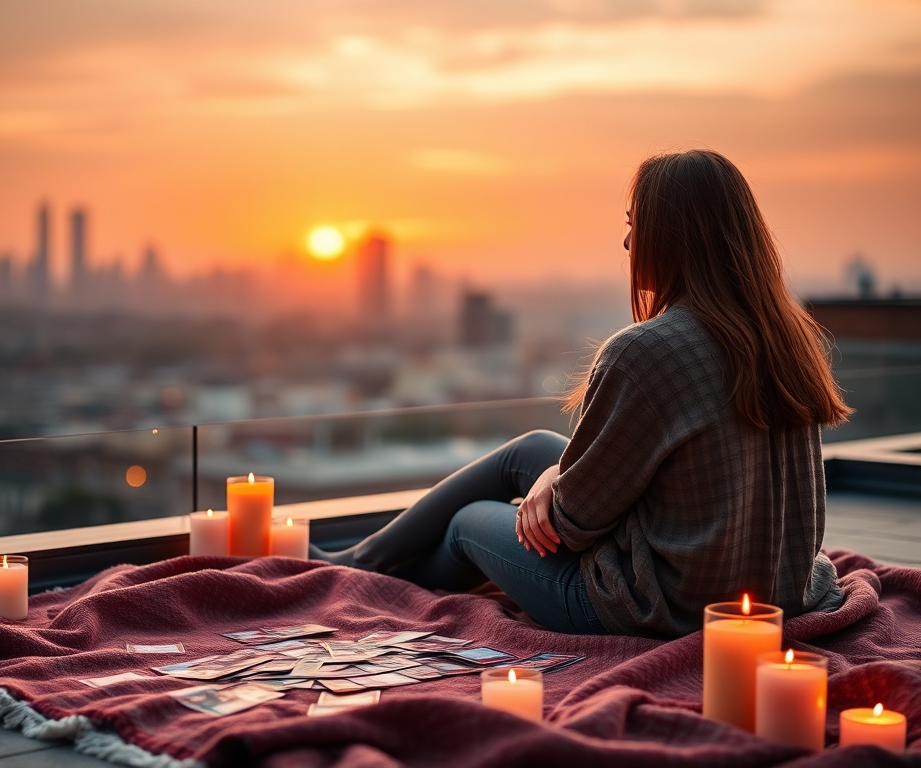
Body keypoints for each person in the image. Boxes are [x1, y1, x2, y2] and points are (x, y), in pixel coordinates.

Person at [310, 149, 851, 638]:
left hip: (663, 608)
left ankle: (369, 587)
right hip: (778, 588)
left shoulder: (649, 351)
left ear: (670, 236)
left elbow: (571, 526)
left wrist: (554, 485)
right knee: (531, 450)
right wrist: (553, 476)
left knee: (467, 522)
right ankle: (359, 557)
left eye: (635, 225)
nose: (627, 242)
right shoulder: (786, 335)